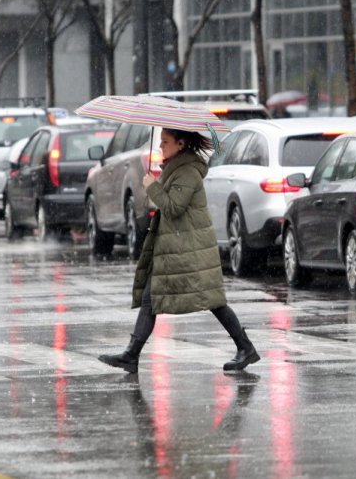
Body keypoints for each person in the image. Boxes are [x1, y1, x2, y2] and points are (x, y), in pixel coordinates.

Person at [98, 127, 260, 374]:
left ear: (181, 144)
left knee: (213, 301)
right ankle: (131, 355)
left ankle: (245, 347)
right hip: (176, 247)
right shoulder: (176, 168)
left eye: (165, 142)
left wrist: (153, 187)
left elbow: (174, 207)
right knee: (151, 299)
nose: (160, 146)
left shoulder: (187, 172)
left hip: (190, 250)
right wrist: (155, 185)